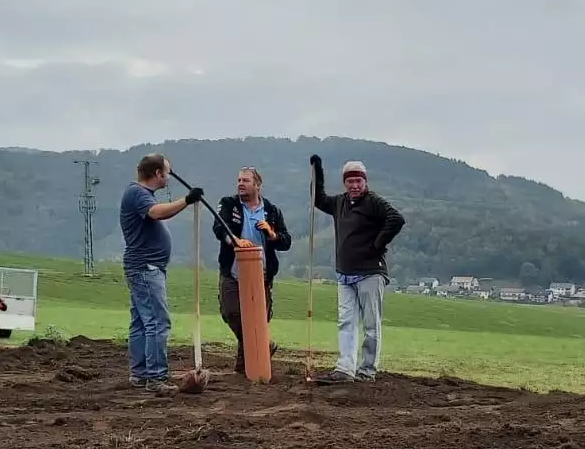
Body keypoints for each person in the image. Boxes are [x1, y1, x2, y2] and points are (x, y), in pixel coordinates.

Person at [310, 155, 405, 383]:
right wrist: (317, 170)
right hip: (345, 273)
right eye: (350, 181)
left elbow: (396, 219)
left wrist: (378, 244)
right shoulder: (339, 203)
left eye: (358, 181)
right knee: (346, 322)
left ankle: (367, 371)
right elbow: (318, 199)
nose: (354, 185)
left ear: (365, 181)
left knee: (371, 324)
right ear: (344, 183)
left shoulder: (373, 202)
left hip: (370, 272)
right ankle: (345, 369)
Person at [120, 152, 203, 394]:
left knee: (141, 321)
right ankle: (156, 377)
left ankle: (140, 373)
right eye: (167, 172)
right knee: (157, 321)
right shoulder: (137, 193)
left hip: (144, 267)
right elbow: (157, 212)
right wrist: (186, 200)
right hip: (146, 268)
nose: (169, 176)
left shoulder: (140, 193)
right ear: (157, 173)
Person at [214, 167, 292, 374]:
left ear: (258, 185)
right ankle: (263, 345)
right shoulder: (228, 204)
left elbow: (286, 241)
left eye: (246, 180)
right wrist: (235, 240)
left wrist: (272, 233)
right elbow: (219, 228)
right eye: (239, 180)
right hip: (233, 270)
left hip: (262, 274)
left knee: (258, 319)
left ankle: (245, 369)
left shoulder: (272, 211)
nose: (240, 183)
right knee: (231, 312)